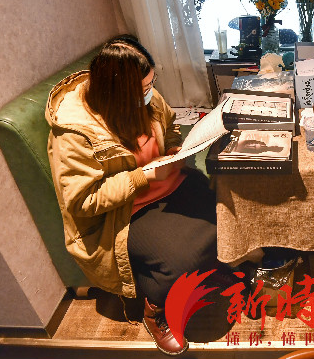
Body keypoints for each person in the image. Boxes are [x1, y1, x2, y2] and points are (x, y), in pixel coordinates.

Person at [46, 35, 224, 355]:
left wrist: (175, 149)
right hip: (126, 212)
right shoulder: (75, 132)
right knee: (183, 262)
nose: (151, 93)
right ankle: (154, 310)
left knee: (228, 213)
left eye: (151, 84)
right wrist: (144, 176)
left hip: (172, 183)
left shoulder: (146, 98)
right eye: (144, 89)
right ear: (118, 93)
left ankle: (202, 270)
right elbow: (82, 201)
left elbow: (170, 127)